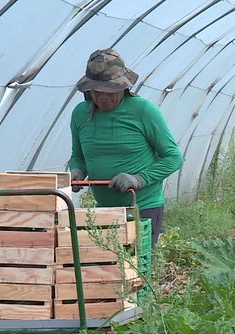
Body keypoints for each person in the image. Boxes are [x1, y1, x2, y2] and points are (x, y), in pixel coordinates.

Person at [69, 48, 183, 248]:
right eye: (96, 91)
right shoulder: (80, 114)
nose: (102, 97)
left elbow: (173, 158)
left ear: (123, 87)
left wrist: (139, 179)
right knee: (104, 270)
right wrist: (77, 171)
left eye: (109, 91)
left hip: (141, 209)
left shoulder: (143, 111)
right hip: (103, 211)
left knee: (133, 270)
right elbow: (78, 156)